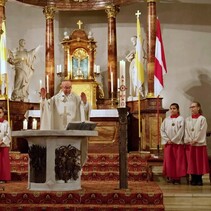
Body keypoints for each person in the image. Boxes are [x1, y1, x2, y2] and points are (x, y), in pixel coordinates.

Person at [40, 80, 91, 165]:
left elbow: (84, 111)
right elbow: (46, 108)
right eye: (65, 88)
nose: (67, 90)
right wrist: (43, 98)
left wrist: (85, 103)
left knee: (73, 154)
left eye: (69, 88)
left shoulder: (76, 98)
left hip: (73, 131)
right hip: (59, 130)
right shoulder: (55, 98)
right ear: (61, 87)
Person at [160, 103, 186, 184]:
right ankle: (170, 176)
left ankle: (177, 178)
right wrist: (167, 140)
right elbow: (162, 130)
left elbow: (181, 131)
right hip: (168, 144)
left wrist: (174, 140)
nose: (172, 110)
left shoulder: (181, 119)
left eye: (174, 108)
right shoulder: (166, 120)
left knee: (178, 161)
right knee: (169, 161)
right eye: (171, 108)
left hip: (177, 144)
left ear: (178, 109)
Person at [184, 101, 209, 186]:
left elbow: (202, 130)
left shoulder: (202, 119)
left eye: (194, 107)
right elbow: (186, 131)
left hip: (199, 144)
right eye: (191, 107)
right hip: (190, 144)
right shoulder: (187, 119)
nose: (192, 108)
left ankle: (199, 178)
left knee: (199, 162)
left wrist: (196, 140)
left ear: (198, 108)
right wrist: (189, 139)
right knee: (192, 162)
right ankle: (193, 178)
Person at [0, 107, 11, 183]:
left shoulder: (6, 123)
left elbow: (8, 134)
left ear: (3, 113)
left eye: (0, 112)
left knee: (3, 162)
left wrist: (2, 141)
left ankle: (3, 178)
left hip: (3, 145)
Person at [126, 36, 138, 100]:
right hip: (133, 64)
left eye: (133, 40)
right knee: (133, 79)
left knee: (137, 78)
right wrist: (130, 57)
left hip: (138, 65)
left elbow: (144, 56)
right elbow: (127, 58)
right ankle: (133, 93)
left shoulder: (139, 49)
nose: (133, 42)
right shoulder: (133, 50)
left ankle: (138, 92)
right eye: (132, 41)